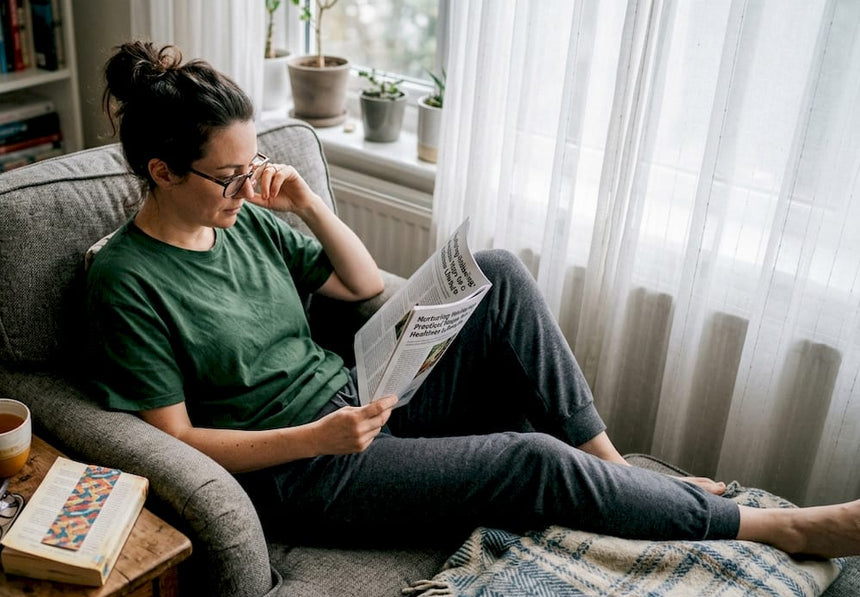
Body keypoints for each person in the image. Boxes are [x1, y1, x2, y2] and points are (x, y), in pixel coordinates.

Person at [86, 40, 860, 559]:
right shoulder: (126, 280)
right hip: (298, 470)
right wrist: (315, 439)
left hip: (359, 396)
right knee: (528, 459)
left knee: (498, 269)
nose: (246, 185)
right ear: (160, 172)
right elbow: (177, 439)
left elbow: (357, 286)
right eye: (230, 175)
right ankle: (783, 528)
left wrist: (307, 206)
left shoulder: (246, 220)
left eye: (253, 162)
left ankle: (621, 470)